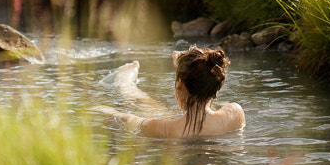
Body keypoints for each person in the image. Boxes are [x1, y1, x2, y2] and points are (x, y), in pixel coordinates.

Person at [95, 46, 245, 139]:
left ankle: (124, 81)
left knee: (142, 101)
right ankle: (126, 83)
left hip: (177, 123)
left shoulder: (164, 128)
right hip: (189, 110)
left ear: (179, 84)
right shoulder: (235, 114)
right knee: (160, 111)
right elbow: (213, 100)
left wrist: (104, 109)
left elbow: (128, 119)